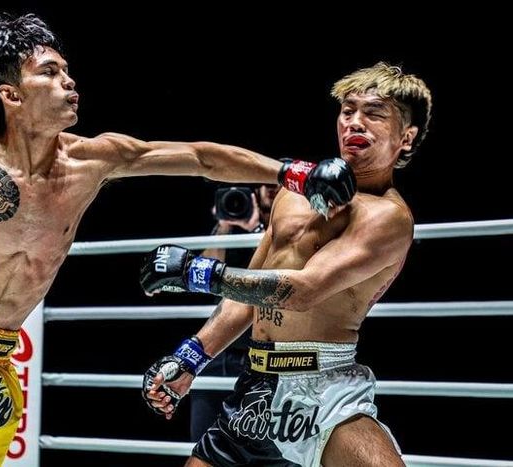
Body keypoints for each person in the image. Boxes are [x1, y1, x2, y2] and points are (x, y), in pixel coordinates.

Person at [0, 13, 356, 467]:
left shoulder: (93, 160)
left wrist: (295, 172)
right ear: (11, 95)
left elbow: (200, 158)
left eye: (66, 70)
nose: (68, 80)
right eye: (49, 72)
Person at [141, 61, 432, 467]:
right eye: (348, 111)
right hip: (254, 386)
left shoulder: (388, 217)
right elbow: (251, 290)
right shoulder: (294, 193)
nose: (355, 122)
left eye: (374, 113)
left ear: (406, 136)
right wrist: (191, 357)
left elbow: (302, 290)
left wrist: (195, 272)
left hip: (323, 392)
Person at [190, 183, 279, 442]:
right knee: (202, 438)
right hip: (218, 348)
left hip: (261, 353)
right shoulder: (231, 228)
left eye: (278, 183)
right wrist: (224, 225)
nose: (272, 188)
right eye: (266, 182)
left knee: (257, 442)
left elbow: (278, 269)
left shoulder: (289, 226)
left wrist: (256, 230)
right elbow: (203, 274)